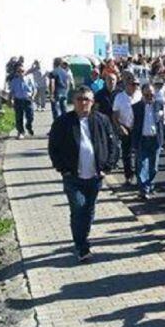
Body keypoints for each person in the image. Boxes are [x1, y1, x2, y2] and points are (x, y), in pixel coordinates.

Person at [47, 86, 120, 262]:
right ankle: (81, 246)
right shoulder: (63, 122)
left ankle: (83, 238)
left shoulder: (101, 120)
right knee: (78, 209)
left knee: (89, 211)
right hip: (73, 177)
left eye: (86, 99)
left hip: (95, 176)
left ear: (92, 102)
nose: (83, 103)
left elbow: (113, 145)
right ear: (74, 102)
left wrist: (108, 167)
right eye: (79, 99)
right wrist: (62, 169)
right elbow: (53, 147)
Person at [131, 83, 165, 200]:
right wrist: (134, 143)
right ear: (142, 94)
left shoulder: (159, 105)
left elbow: (162, 124)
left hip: (155, 139)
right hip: (142, 139)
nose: (149, 97)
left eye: (151, 94)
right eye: (147, 95)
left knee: (154, 167)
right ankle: (143, 190)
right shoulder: (136, 107)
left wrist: (162, 140)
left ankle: (150, 185)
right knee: (142, 165)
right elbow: (133, 125)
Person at [112, 76, 140, 185]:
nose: (135, 87)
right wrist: (120, 127)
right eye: (133, 84)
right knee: (126, 153)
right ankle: (128, 176)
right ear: (127, 85)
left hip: (137, 127)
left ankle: (139, 176)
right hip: (125, 127)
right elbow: (114, 115)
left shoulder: (139, 95)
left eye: (137, 84)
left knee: (139, 153)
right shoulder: (119, 97)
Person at [8, 64, 36, 138]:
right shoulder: (14, 81)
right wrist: (10, 100)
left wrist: (33, 96)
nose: (21, 73)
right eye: (19, 71)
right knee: (19, 117)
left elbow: (34, 89)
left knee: (30, 117)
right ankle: (21, 132)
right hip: (18, 100)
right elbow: (11, 91)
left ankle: (28, 126)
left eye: (22, 71)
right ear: (16, 72)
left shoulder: (29, 79)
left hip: (28, 100)